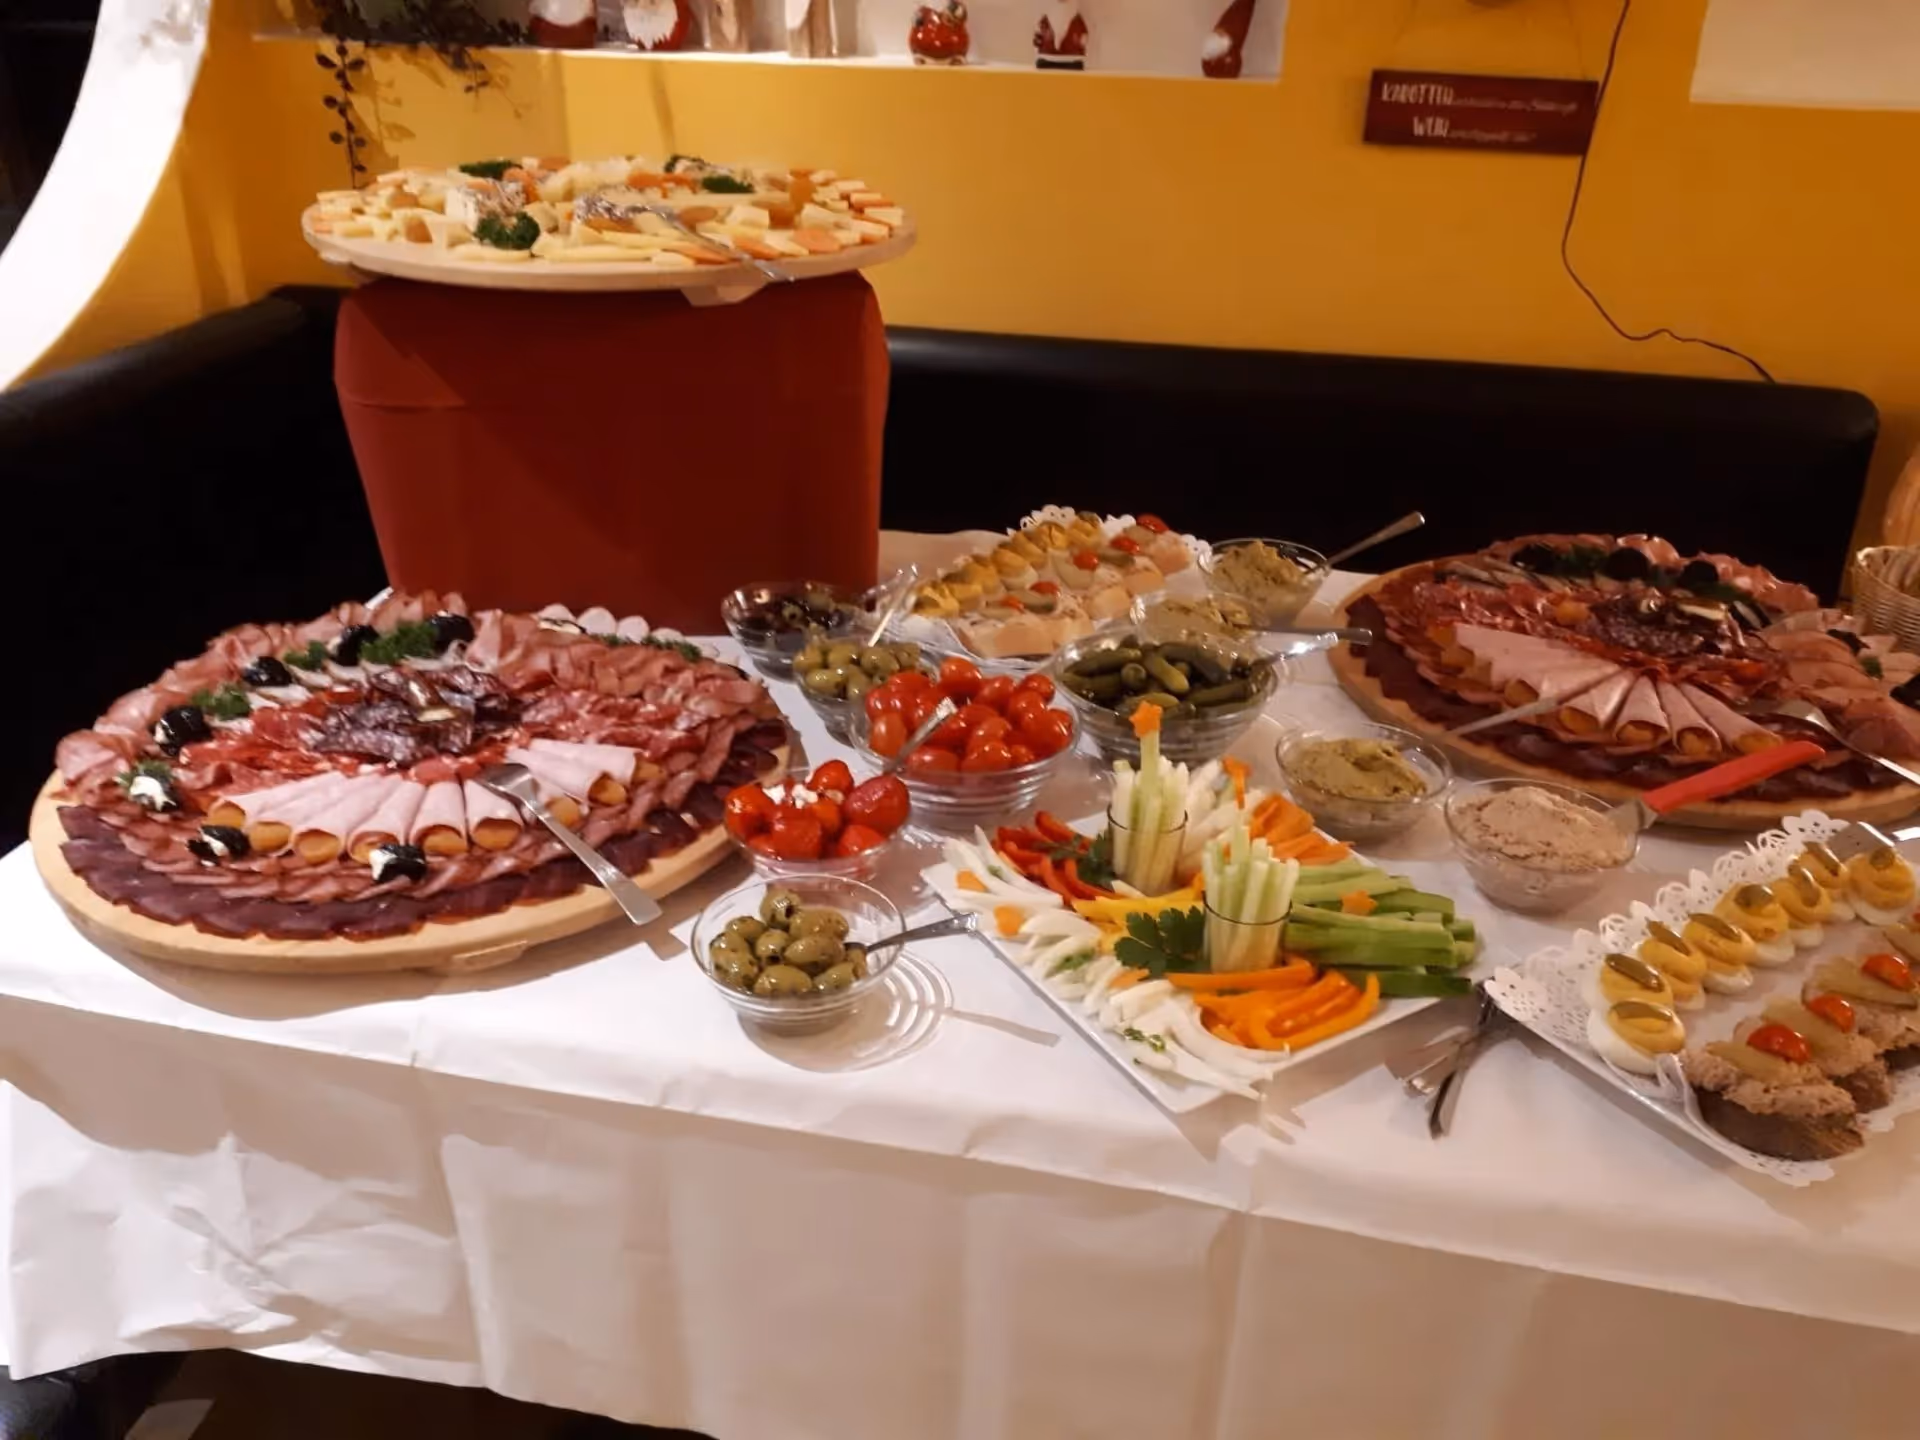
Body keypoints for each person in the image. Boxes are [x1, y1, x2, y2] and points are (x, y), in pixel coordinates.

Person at [1033, 0, 1086, 71]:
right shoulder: (1046, 19)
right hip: (1048, 57)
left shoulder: (1075, 19)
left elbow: (1083, 36)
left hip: (1071, 58)